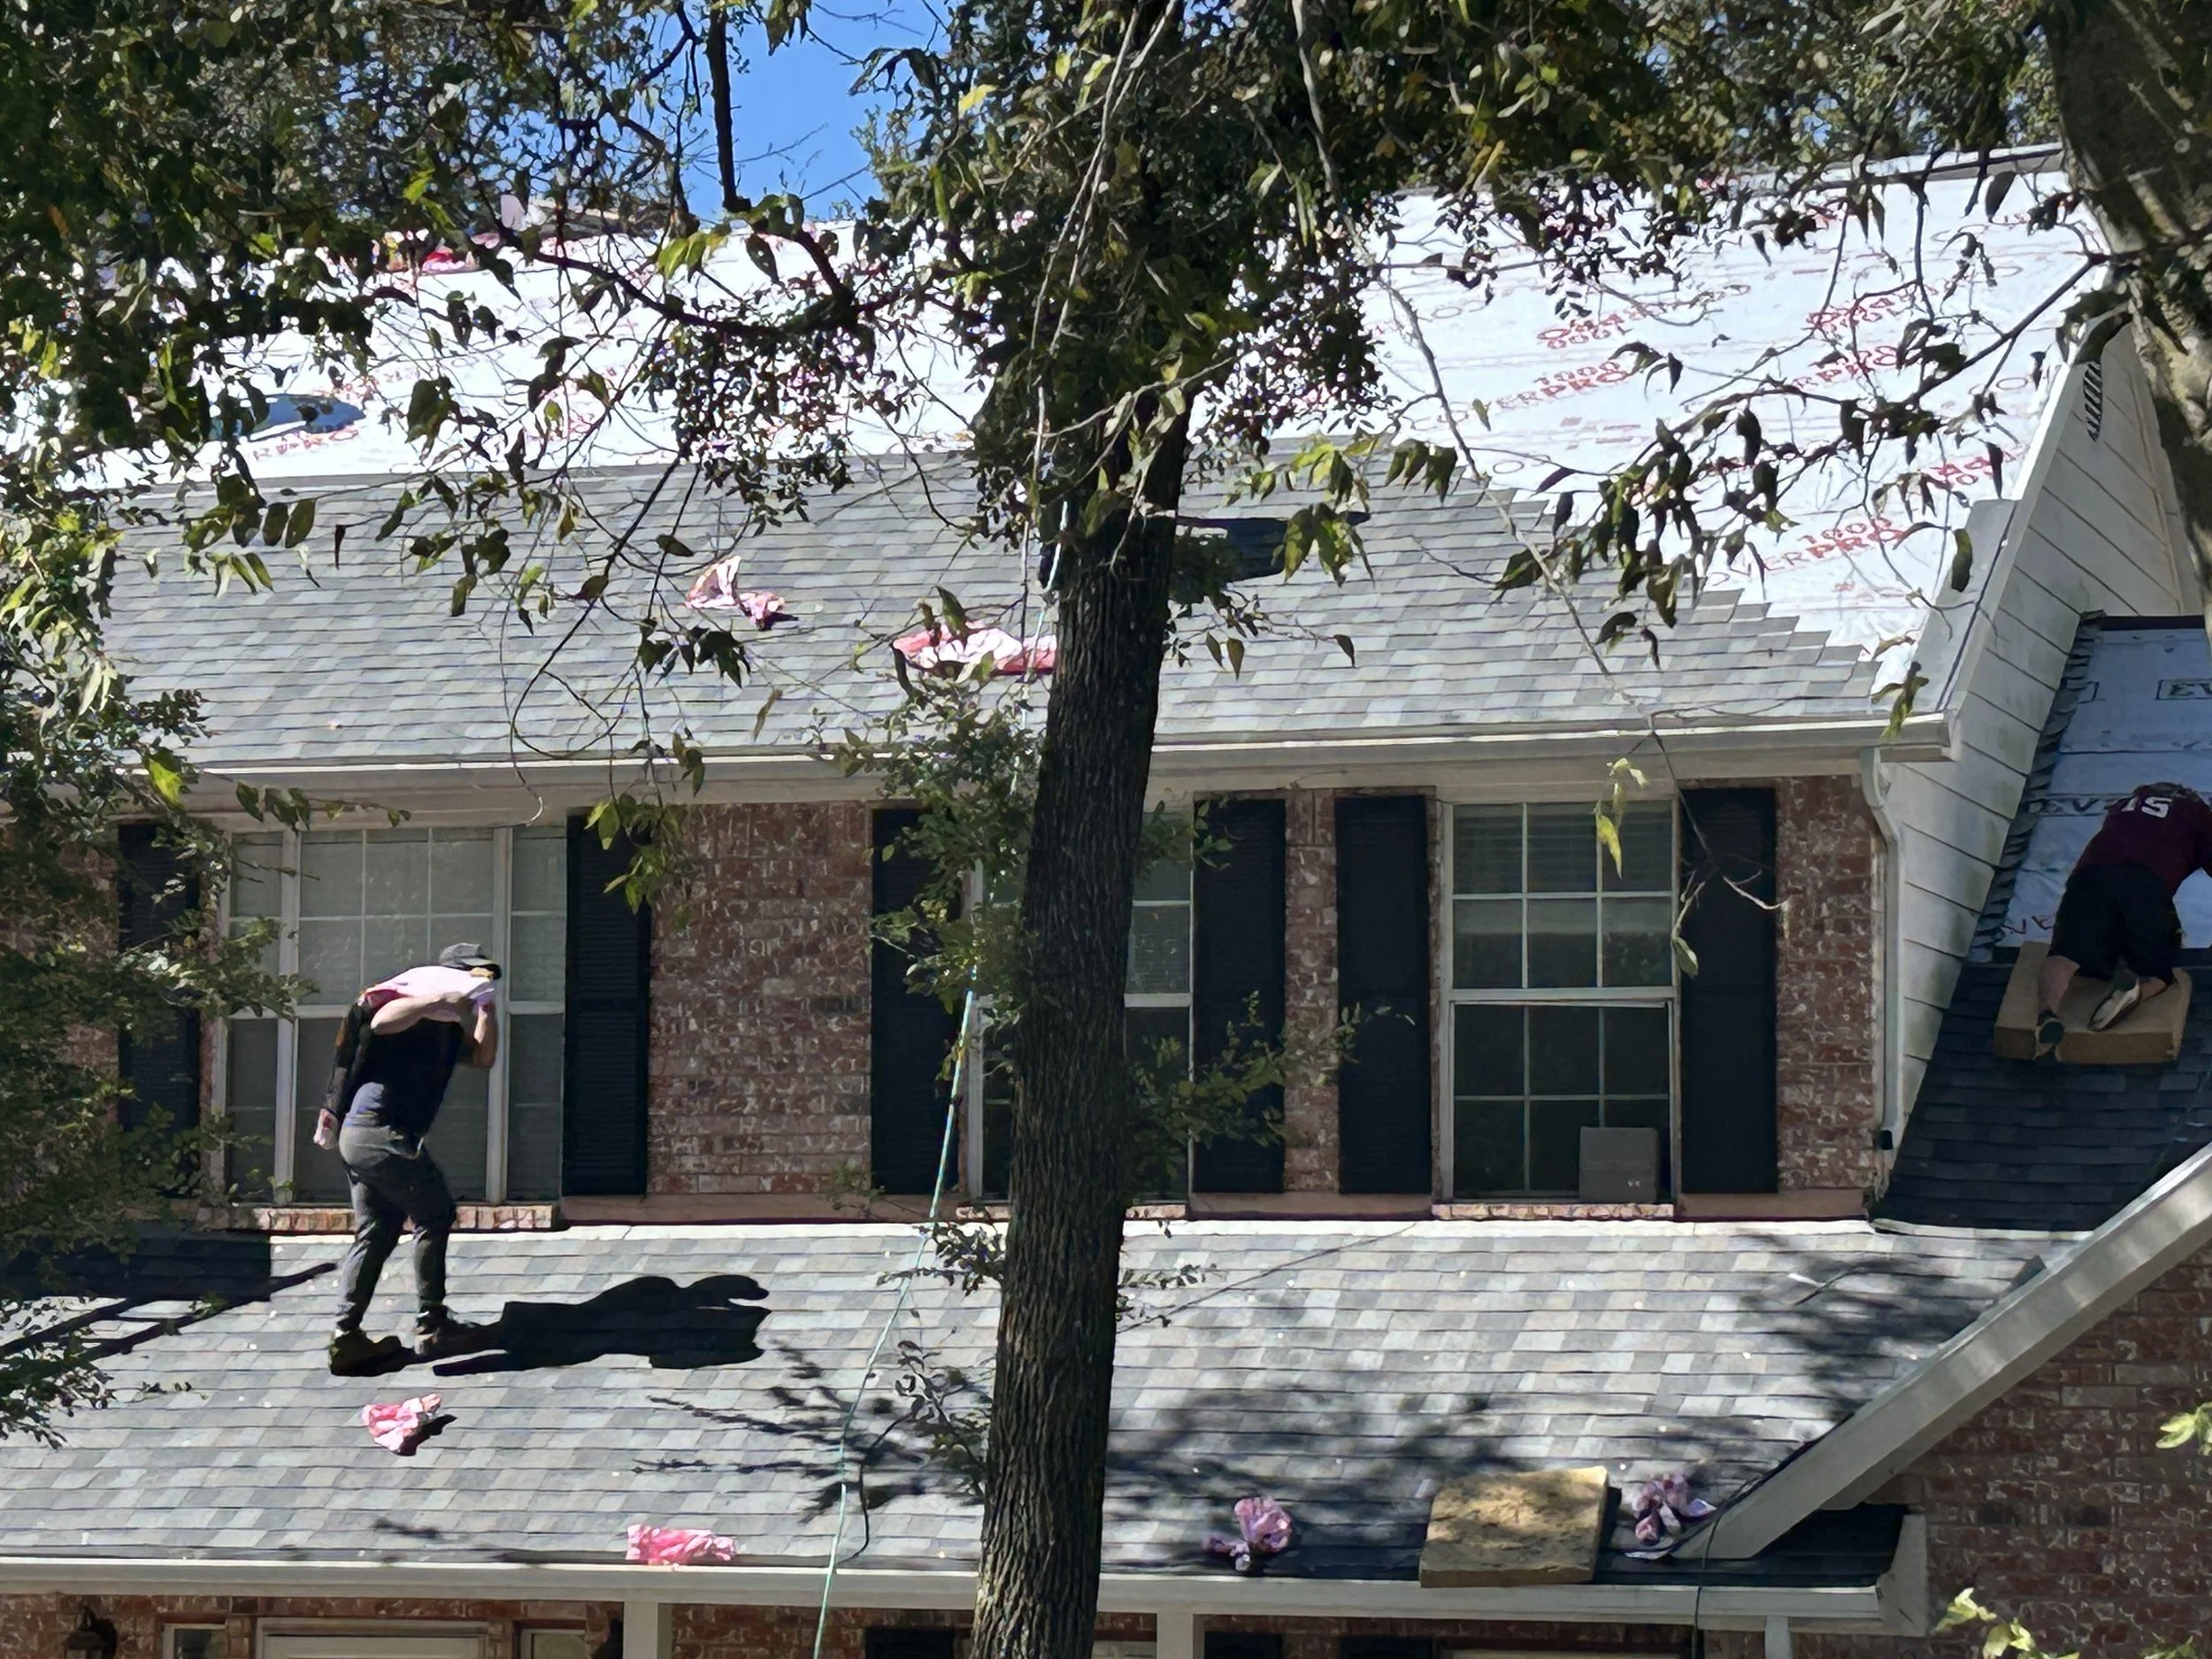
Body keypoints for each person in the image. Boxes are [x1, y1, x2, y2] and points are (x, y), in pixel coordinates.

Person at [323, 942, 502, 1375]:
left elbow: (482, 1057)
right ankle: (433, 1324)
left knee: (378, 1229)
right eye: (475, 975)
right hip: (375, 1133)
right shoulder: (412, 1013)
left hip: (363, 1140)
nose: (479, 983)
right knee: (435, 1213)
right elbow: (383, 1021)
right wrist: (435, 999)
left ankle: (346, 1339)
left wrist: (486, 1011)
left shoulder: (443, 1031)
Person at [2036, 782, 2212, 1056]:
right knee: (2160, 969)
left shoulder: (2124, 807)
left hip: (2089, 878)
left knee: (2065, 955)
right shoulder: (2196, 813)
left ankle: (2046, 1014)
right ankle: (2137, 989)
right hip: (2146, 884)